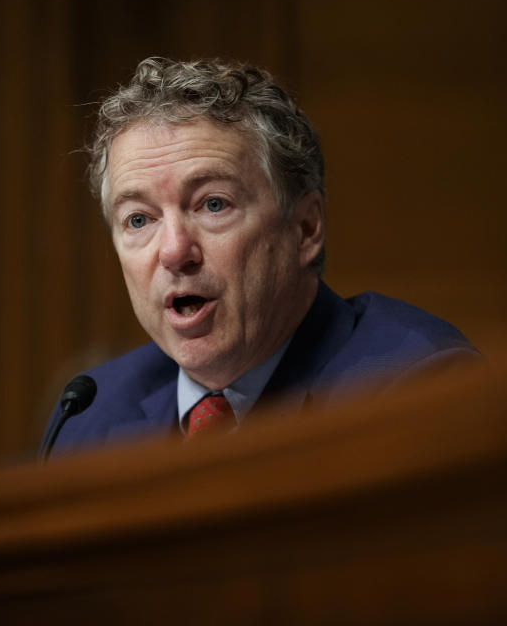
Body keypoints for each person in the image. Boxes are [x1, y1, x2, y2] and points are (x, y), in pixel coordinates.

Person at [43, 57, 478, 455]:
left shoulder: (413, 388)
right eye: (139, 220)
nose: (175, 252)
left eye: (213, 204)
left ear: (306, 228)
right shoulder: (90, 418)